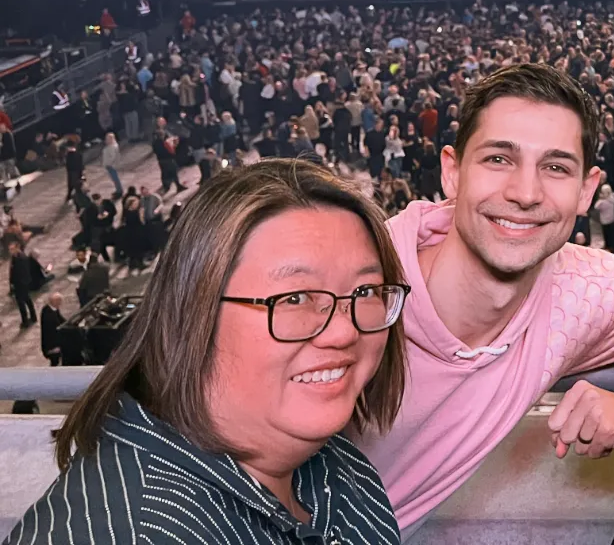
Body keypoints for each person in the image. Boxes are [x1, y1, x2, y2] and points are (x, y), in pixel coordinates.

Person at [355, 64, 614, 536]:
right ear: (452, 171)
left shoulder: (579, 287)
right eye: (498, 159)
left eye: (554, 168)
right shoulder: (357, 289)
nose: (525, 194)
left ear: (586, 190)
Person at [3, 159, 410, 544]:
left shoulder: (332, 462)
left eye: (367, 292)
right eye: (295, 297)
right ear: (192, 312)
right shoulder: (133, 532)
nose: (343, 331)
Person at [8, 238, 36, 328]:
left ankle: (25, 320)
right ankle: (33, 316)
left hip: (21, 283)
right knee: (27, 299)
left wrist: (17, 283)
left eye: (12, 249)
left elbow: (21, 272)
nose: (10, 251)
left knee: (21, 302)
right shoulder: (15, 257)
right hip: (18, 283)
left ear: (17, 248)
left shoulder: (21, 258)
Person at [40, 292, 65, 366]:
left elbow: (61, 319)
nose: (60, 304)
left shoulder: (52, 309)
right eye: (59, 302)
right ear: (55, 302)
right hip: (52, 345)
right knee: (54, 362)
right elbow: (53, 330)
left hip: (54, 343)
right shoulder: (48, 315)